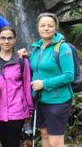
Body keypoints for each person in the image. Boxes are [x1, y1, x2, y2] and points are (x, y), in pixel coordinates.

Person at [29, 13, 74, 147]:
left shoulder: (62, 47)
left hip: (57, 101)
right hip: (40, 100)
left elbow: (69, 75)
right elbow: (37, 68)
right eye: (43, 25)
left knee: (56, 142)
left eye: (50, 26)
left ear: (55, 28)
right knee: (44, 135)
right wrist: (26, 57)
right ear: (38, 28)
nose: (46, 28)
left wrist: (44, 84)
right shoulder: (36, 48)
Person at [0, 26, 33, 147]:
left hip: (17, 109)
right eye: (3, 38)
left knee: (12, 141)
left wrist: (30, 109)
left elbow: (27, 86)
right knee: (4, 141)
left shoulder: (22, 62)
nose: (6, 41)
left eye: (10, 38)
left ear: (15, 40)